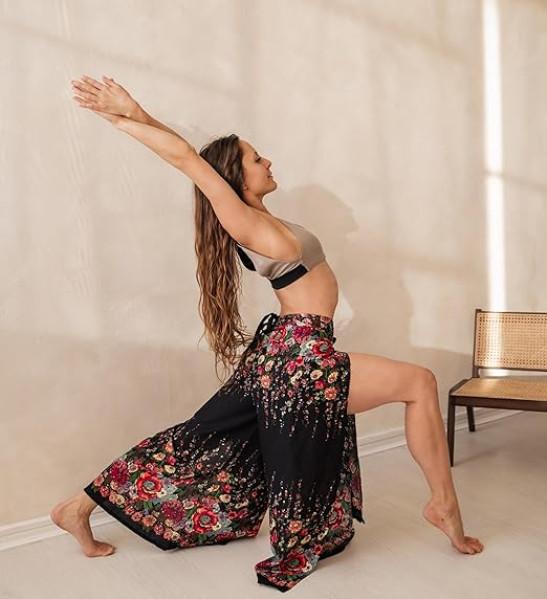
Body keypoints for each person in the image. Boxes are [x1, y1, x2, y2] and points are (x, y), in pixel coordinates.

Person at [51, 75, 484, 593]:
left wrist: (140, 116)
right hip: (300, 356)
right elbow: (190, 161)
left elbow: (196, 157)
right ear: (237, 177)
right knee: (420, 382)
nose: (268, 162)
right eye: (257, 159)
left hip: (285, 350)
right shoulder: (245, 223)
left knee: (195, 438)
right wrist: (124, 116)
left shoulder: (262, 218)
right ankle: (443, 503)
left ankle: (77, 507)